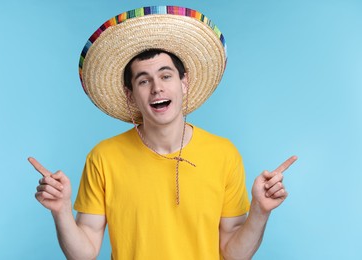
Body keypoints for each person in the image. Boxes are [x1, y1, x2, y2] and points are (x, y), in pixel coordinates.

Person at [29, 6, 297, 260]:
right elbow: (85, 252)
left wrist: (260, 212)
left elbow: (234, 253)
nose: (156, 87)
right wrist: (61, 211)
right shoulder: (103, 157)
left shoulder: (224, 154)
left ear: (184, 83)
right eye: (143, 81)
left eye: (166, 76)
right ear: (131, 95)